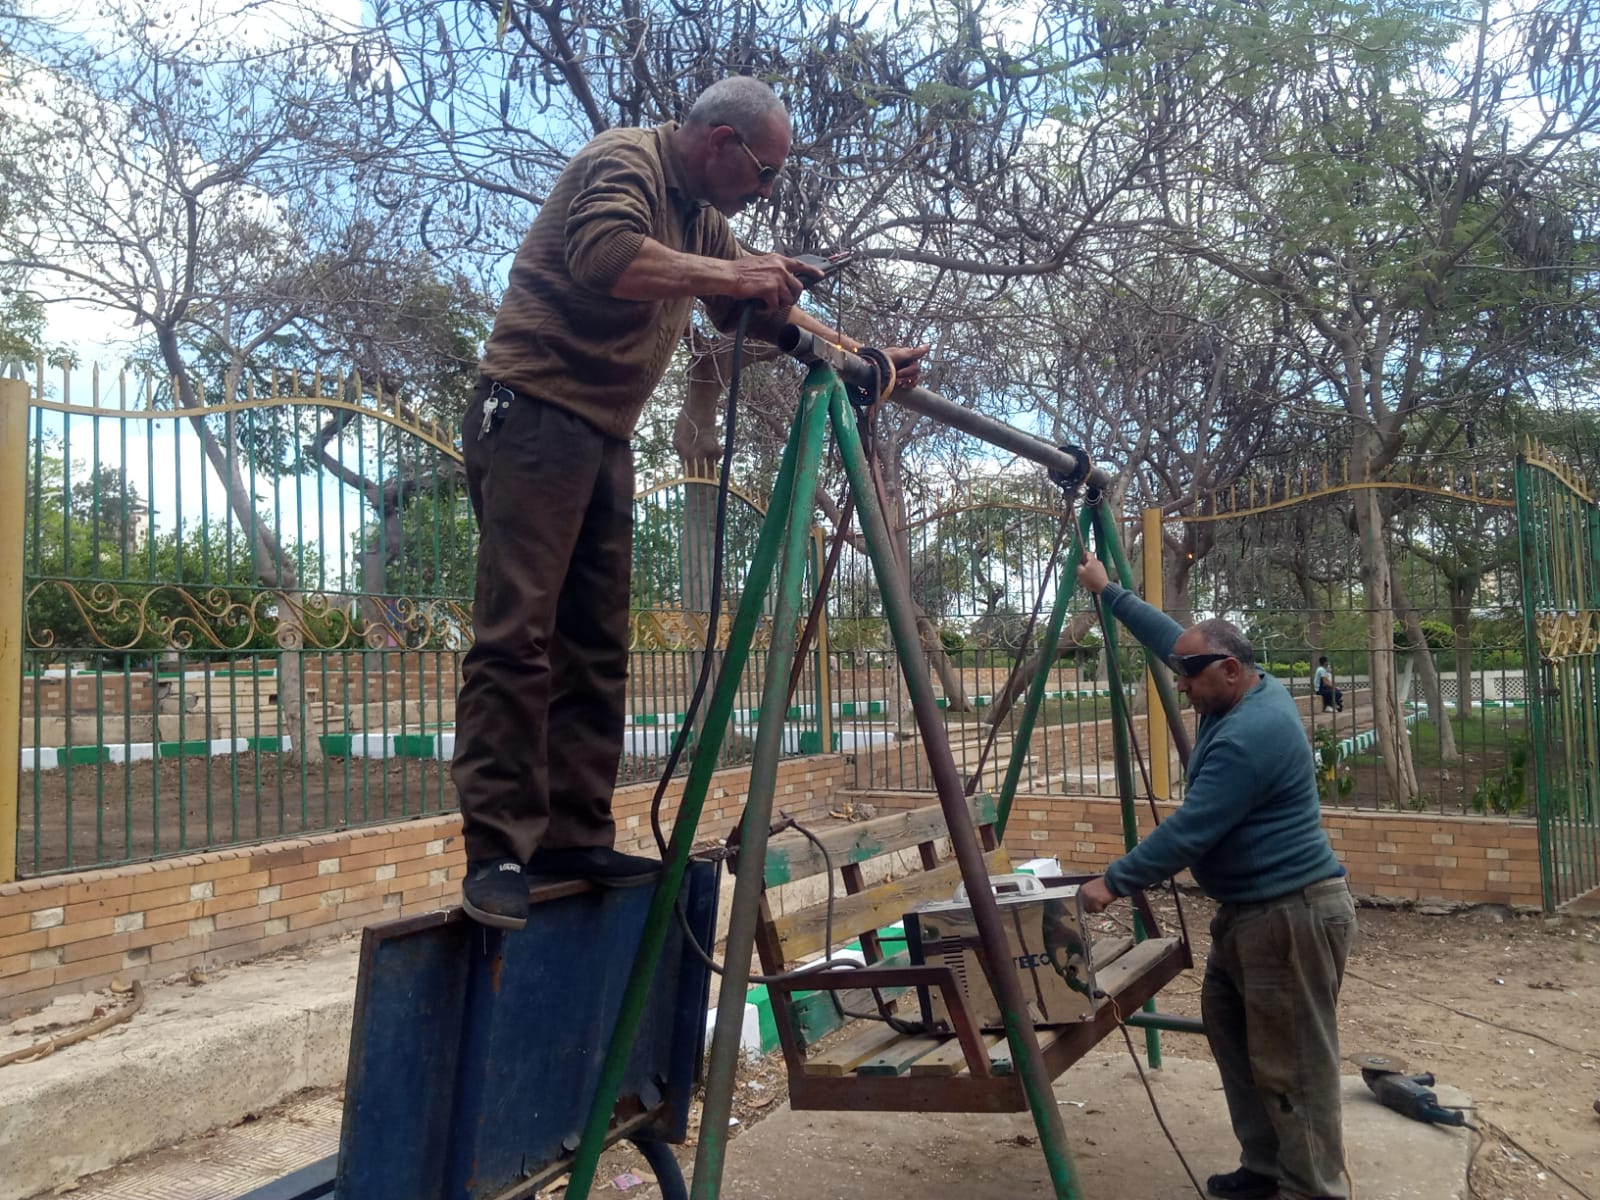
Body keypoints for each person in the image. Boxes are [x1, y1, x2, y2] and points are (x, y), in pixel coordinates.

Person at [451, 76, 929, 931]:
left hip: (603, 435)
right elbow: (608, 256)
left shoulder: (702, 219)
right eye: (764, 172)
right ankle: (496, 852)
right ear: (719, 141)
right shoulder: (624, 162)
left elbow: (748, 313)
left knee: (596, 645)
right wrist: (739, 273)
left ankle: (573, 836)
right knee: (519, 637)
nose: (766, 190)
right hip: (531, 415)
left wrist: (860, 358)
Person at [1073, 551, 1356, 1200]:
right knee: (1235, 1037)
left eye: (1188, 677)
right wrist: (1109, 591)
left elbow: (1190, 832)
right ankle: (1266, 1169)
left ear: (1228, 669)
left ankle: (1312, 1189)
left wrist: (1111, 883)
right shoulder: (1234, 687)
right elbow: (1170, 640)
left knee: (1293, 1063)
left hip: (1289, 916)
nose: (1180, 686)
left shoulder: (1249, 735)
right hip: (1252, 913)